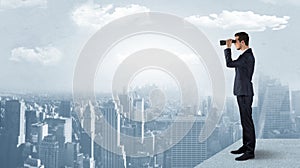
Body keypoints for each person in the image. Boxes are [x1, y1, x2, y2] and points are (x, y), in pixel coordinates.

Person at [224, 32, 256, 161]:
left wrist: (227, 48)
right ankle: (245, 145)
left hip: (245, 93)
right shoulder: (244, 56)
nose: (234, 43)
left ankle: (250, 151)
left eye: (235, 41)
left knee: (247, 122)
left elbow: (229, 63)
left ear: (242, 42)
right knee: (244, 121)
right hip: (242, 92)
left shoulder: (247, 56)